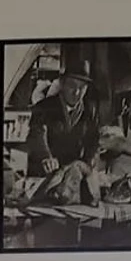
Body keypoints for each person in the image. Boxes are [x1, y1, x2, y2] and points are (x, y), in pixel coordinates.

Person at [23, 65, 100, 202]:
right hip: (44, 175)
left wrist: (89, 163)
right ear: (62, 84)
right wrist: (46, 157)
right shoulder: (44, 107)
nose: (77, 92)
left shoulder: (90, 111)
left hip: (71, 181)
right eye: (72, 85)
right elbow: (37, 134)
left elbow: (93, 142)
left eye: (82, 87)